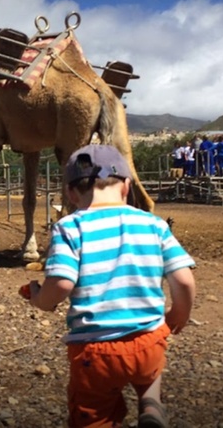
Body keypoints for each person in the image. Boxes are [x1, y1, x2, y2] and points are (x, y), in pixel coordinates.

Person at [22, 144, 197, 428]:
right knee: (149, 371)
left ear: (70, 193)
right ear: (127, 187)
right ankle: (151, 403)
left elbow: (63, 283)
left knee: (94, 416)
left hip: (96, 351)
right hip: (150, 340)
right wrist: (179, 315)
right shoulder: (153, 224)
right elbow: (184, 279)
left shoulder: (70, 227)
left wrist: (42, 300)